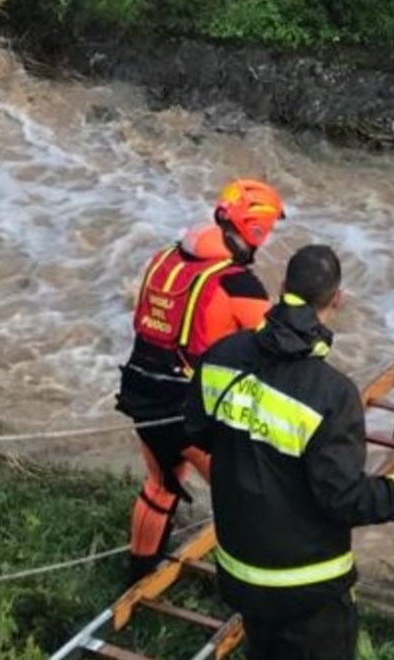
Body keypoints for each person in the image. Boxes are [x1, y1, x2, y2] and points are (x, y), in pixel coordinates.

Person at [185, 244, 394, 660]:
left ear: (281, 287)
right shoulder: (331, 395)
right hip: (308, 593)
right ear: (337, 299)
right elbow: (346, 500)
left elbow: (198, 432)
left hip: (240, 576)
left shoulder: (221, 358)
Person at [116, 178, 286, 583]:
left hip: (141, 396)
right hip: (190, 413)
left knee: (160, 484)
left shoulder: (164, 259)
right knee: (243, 497)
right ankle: (246, 583)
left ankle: (139, 573)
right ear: (255, 230)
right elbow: (279, 340)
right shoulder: (236, 282)